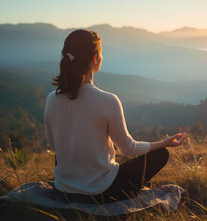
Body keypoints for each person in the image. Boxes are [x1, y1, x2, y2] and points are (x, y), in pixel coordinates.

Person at [44, 29, 186, 204]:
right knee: (161, 155)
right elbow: (128, 148)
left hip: (63, 191)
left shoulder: (52, 99)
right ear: (95, 59)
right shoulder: (108, 100)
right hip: (101, 193)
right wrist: (164, 143)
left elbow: (53, 145)